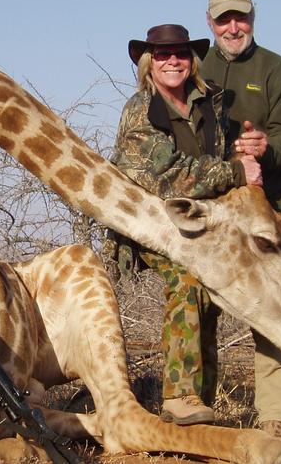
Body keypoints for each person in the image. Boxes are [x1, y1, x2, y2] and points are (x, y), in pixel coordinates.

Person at [104, 24, 262, 425]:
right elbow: (166, 175)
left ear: (191, 60)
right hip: (148, 223)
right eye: (161, 55)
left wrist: (248, 150)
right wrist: (235, 173)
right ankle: (180, 396)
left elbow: (222, 153)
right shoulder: (140, 109)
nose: (171, 61)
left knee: (209, 296)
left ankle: (201, 404)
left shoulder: (210, 105)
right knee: (187, 282)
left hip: (195, 224)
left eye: (179, 53)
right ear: (149, 64)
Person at [200, 0, 281, 435]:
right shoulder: (191, 64)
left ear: (252, 18)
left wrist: (267, 146)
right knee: (198, 307)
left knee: (271, 311)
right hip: (211, 214)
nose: (232, 26)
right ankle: (197, 407)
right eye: (224, 18)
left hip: (268, 210)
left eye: (240, 16)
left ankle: (275, 417)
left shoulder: (280, 71)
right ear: (210, 21)